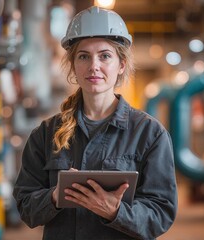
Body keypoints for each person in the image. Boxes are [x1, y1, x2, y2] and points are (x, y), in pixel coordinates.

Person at [12, 6, 177, 240]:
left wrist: (116, 212)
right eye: (84, 56)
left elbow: (161, 213)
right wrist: (55, 197)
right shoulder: (46, 134)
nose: (94, 66)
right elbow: (25, 206)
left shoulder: (149, 134)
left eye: (105, 55)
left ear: (121, 64)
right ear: (73, 66)